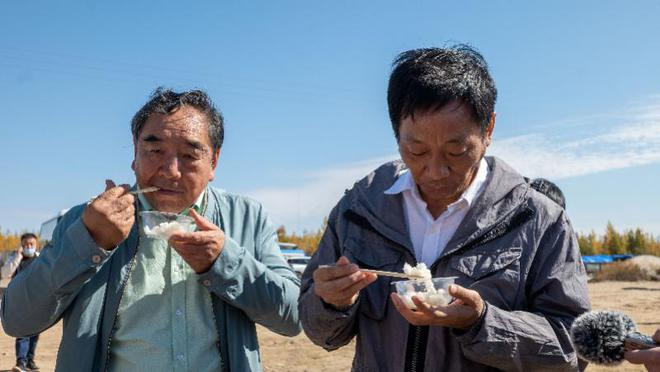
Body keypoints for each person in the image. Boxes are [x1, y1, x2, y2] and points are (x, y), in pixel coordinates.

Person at [298, 45, 591, 371]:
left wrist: (482, 323)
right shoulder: (359, 211)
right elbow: (319, 331)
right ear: (396, 134)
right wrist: (331, 302)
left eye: (456, 151)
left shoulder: (539, 221)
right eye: (417, 150)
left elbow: (575, 347)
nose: (435, 171)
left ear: (489, 129)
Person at [1, 88, 301, 371]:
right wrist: (88, 243)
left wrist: (225, 263)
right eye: (155, 149)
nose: (170, 170)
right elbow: (17, 320)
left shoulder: (247, 217)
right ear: (135, 152)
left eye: (189, 155)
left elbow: (294, 316)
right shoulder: (88, 220)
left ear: (214, 161)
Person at [1, 233, 41, 372]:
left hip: (37, 301)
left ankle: (30, 361)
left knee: (35, 333)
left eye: (31, 244)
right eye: (25, 244)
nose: (28, 247)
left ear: (36, 245)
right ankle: (21, 363)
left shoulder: (41, 259)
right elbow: (5, 273)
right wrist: (17, 257)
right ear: (21, 245)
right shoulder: (16, 258)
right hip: (21, 301)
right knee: (22, 333)